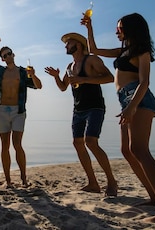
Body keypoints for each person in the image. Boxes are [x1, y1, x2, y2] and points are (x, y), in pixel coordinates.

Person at [82, 13, 155, 226]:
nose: (116, 31)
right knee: (127, 150)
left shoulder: (141, 51)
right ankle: (154, 198)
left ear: (131, 29)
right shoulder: (123, 51)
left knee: (140, 151)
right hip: (128, 101)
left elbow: (144, 82)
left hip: (139, 100)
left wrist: (131, 107)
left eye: (119, 28)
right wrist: (89, 27)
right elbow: (94, 50)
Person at [44, 32, 118, 196]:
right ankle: (93, 183)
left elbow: (110, 78)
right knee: (77, 143)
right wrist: (56, 77)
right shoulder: (69, 67)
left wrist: (84, 80)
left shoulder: (91, 60)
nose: (65, 46)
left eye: (68, 43)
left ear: (78, 45)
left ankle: (112, 181)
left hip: (95, 107)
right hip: (78, 109)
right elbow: (63, 87)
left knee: (91, 141)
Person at [0, 36, 42, 187]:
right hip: (3, 111)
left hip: (18, 111)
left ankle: (23, 178)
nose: (7, 56)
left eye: (9, 53)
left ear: (13, 55)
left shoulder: (23, 72)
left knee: (17, 144)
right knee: (4, 145)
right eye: (4, 55)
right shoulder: (0, 71)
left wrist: (33, 74)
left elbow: (39, 86)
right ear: (2, 59)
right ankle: (8, 181)